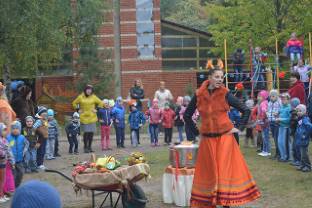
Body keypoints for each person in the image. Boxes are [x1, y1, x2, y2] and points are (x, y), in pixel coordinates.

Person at [184, 68, 260, 207]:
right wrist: (196, 132)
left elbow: (246, 110)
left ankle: (226, 203)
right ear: (210, 78)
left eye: (221, 77)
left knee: (224, 172)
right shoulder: (199, 94)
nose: (220, 79)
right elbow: (186, 115)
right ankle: (210, 201)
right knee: (209, 173)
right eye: (217, 77)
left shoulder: (225, 94)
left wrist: (240, 127)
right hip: (207, 140)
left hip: (225, 138)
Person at [72, 85, 103, 153]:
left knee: (91, 133)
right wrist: (78, 109)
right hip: (84, 117)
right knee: (86, 133)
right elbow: (74, 103)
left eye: (90, 90)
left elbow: (101, 102)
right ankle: (85, 147)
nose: (89, 91)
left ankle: (90, 147)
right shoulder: (80, 97)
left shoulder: (93, 97)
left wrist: (96, 109)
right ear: (85, 90)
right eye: (88, 89)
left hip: (92, 117)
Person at [7, 121, 29, 188]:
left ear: (20, 129)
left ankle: (17, 184)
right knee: (13, 174)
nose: (15, 130)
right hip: (11, 161)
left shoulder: (22, 137)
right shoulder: (8, 137)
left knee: (21, 173)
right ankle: (12, 186)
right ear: (11, 129)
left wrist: (25, 151)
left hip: (20, 160)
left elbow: (27, 144)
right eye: (13, 129)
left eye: (17, 129)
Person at [295, 104, 312, 172]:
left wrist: (305, 134)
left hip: (304, 139)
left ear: (304, 112)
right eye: (297, 111)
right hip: (300, 139)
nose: (298, 112)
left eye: (300, 111)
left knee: (304, 154)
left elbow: (310, 127)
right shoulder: (300, 119)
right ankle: (302, 165)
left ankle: (308, 166)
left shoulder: (305, 119)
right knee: (301, 153)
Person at [0, 123, 15, 203]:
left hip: (3, 163)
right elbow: (3, 152)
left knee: (3, 180)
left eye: (6, 130)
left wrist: (12, 161)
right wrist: (3, 154)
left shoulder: (5, 140)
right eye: (4, 130)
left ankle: (2, 194)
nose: (5, 132)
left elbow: (9, 151)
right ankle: (0, 196)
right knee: (1, 180)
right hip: (1, 162)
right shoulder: (2, 140)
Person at [252, 90, 269, 154]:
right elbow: (253, 113)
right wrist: (255, 119)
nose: (258, 98)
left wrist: (263, 117)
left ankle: (264, 149)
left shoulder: (265, 103)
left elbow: (265, 111)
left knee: (263, 136)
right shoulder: (258, 105)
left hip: (264, 122)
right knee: (260, 135)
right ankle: (261, 148)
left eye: (260, 96)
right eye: (258, 96)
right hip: (260, 122)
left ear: (264, 97)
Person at [266, 90, 281, 160]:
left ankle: (279, 154)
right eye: (270, 96)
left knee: (277, 138)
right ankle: (277, 154)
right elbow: (268, 111)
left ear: (277, 96)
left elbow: (281, 111)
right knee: (274, 139)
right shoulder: (269, 103)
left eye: (273, 96)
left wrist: (277, 115)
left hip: (276, 122)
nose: (271, 97)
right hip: (271, 122)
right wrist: (268, 115)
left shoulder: (279, 102)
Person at [276, 93, 291, 162]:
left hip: (286, 128)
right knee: (279, 142)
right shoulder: (282, 107)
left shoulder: (289, 108)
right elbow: (279, 113)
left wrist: (280, 119)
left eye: (284, 99)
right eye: (282, 99)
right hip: (280, 127)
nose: (282, 100)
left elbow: (289, 119)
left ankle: (286, 157)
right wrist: (276, 114)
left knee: (285, 143)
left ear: (288, 100)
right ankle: (282, 156)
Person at [290, 98, 301, 166]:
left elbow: (297, 123)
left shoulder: (297, 113)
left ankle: (298, 160)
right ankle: (295, 160)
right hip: (293, 132)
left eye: (291, 104)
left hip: (297, 133)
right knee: (294, 147)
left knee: (297, 147)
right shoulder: (292, 112)